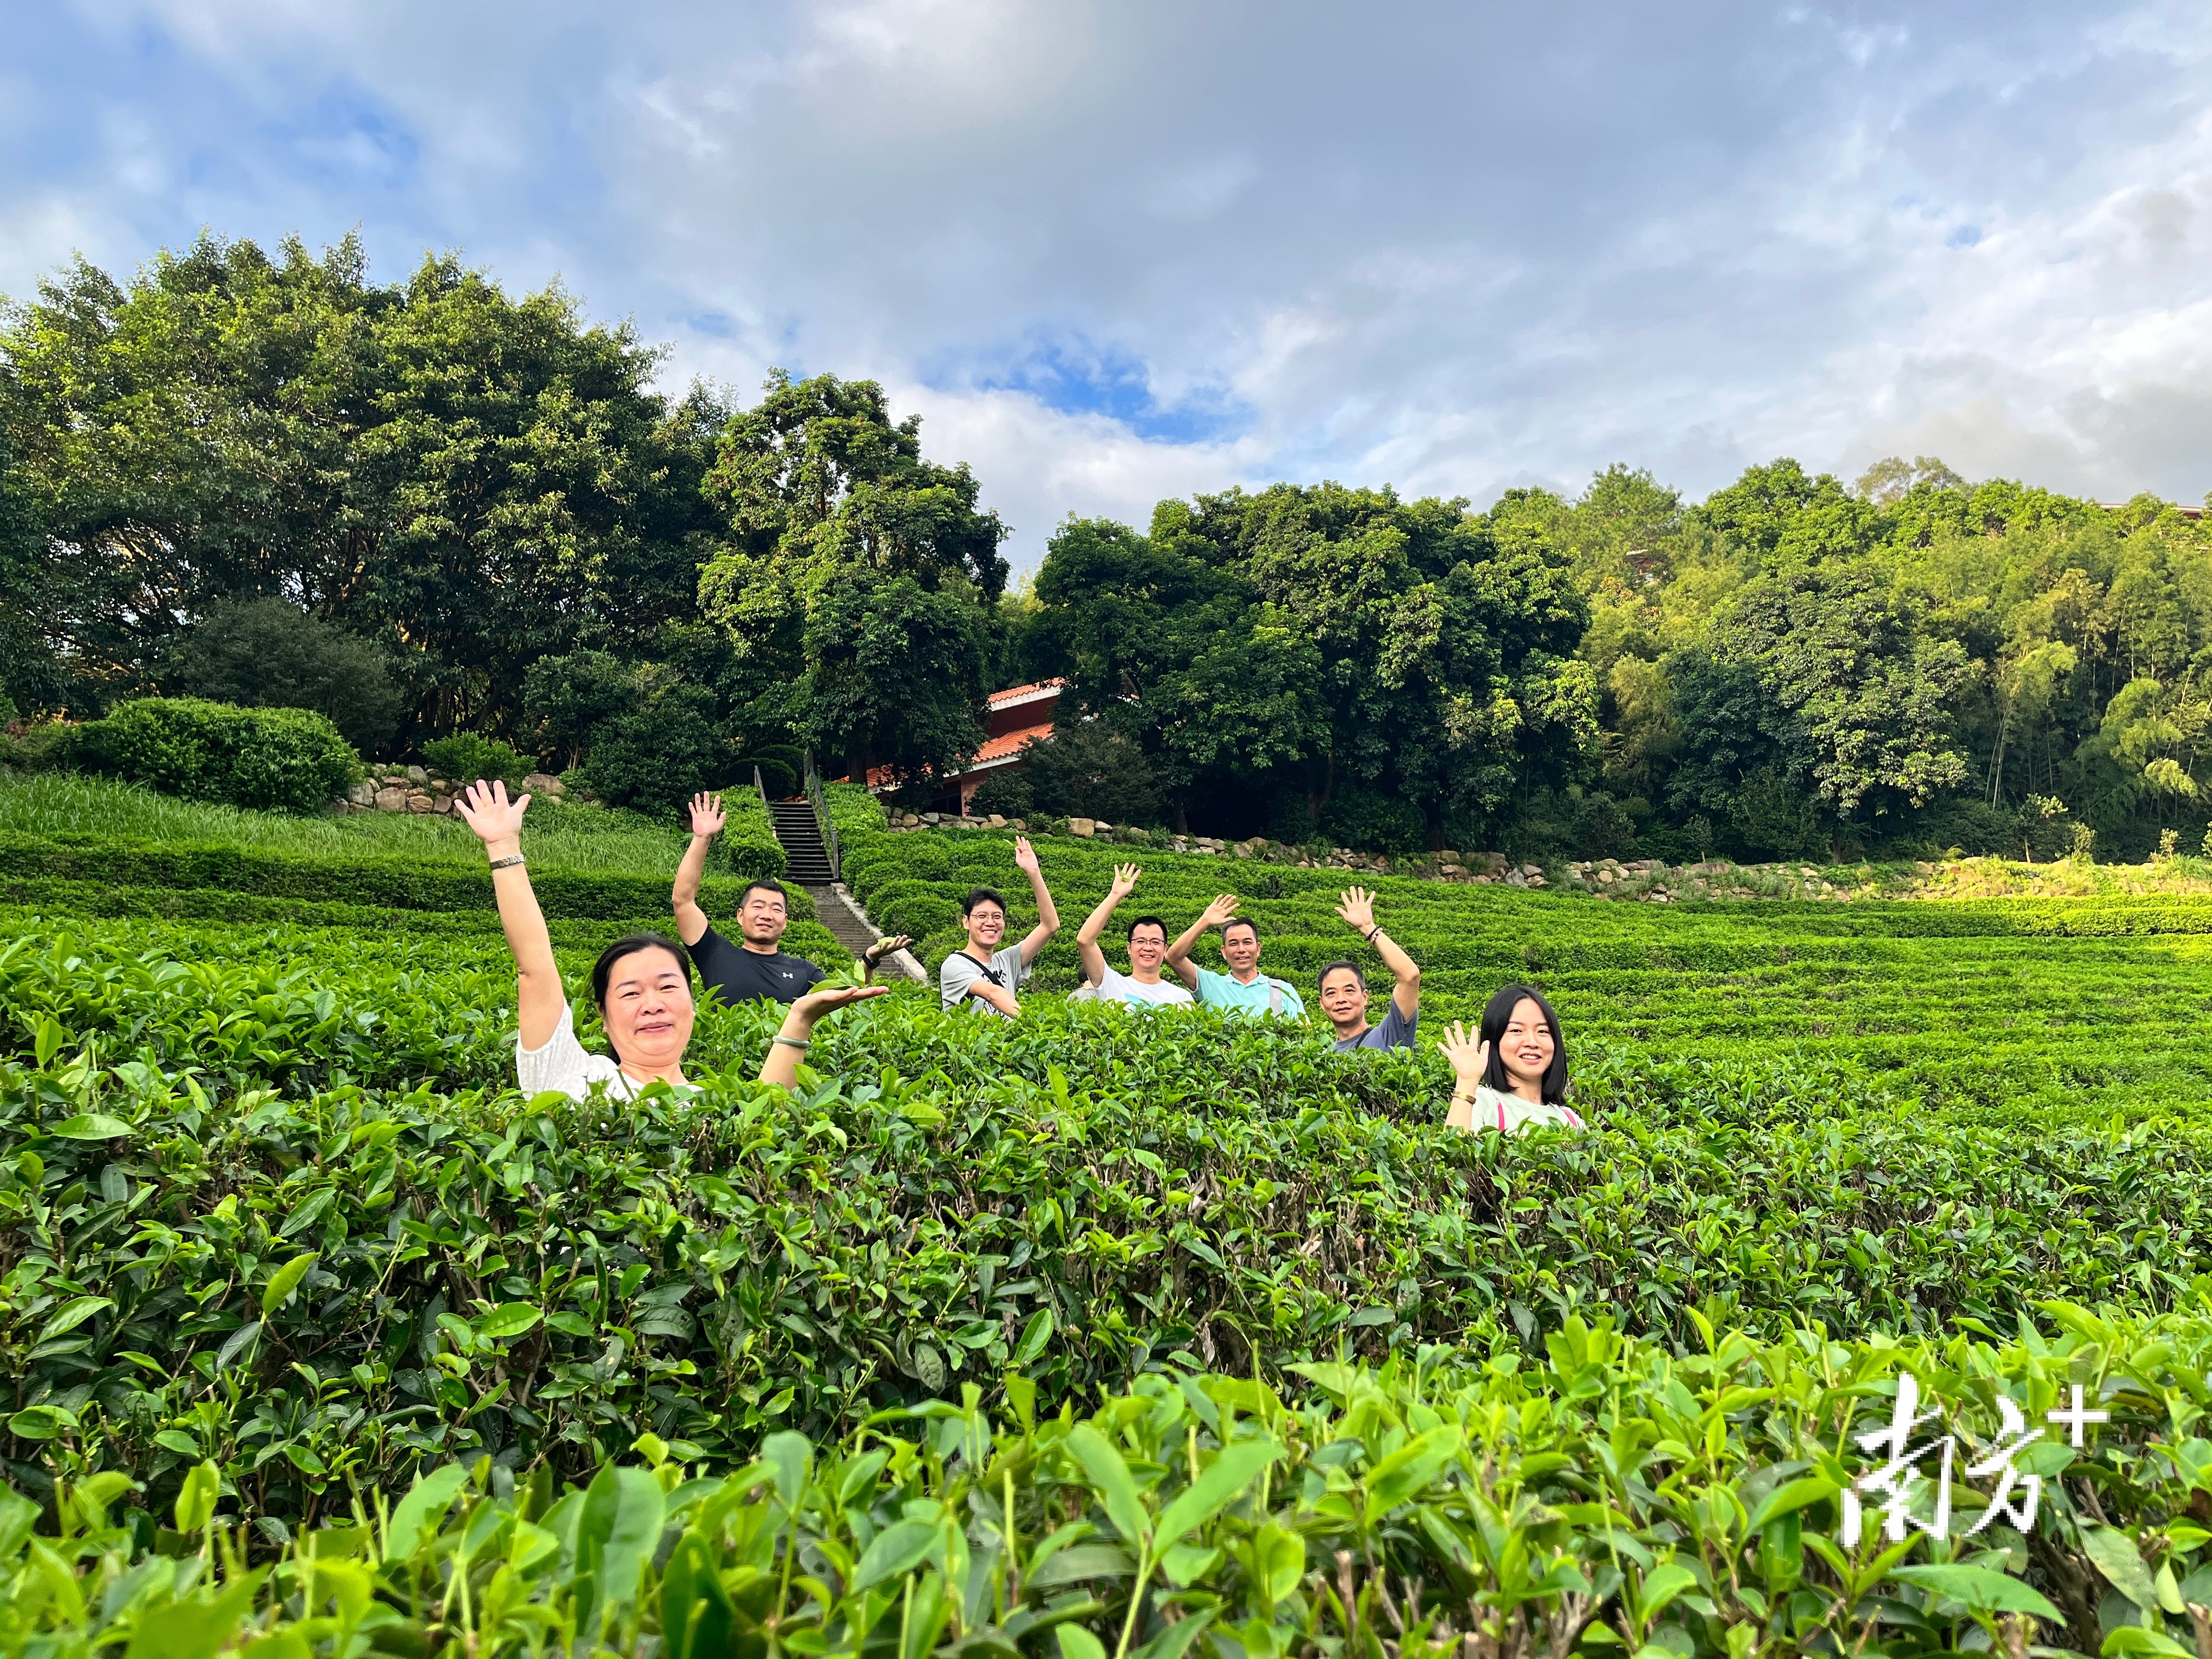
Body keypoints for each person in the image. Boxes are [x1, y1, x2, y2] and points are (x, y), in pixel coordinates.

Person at [457, 779, 882, 1099]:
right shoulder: (572, 1077)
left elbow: (766, 1112)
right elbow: (535, 967)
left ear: (693, 1007)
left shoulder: (709, 1104)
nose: (653, 1004)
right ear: (602, 1016)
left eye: (667, 987)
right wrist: (503, 847)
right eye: (630, 993)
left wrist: (801, 1019)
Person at [673, 791, 908, 1005]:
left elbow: (845, 1000)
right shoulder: (714, 953)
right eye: (758, 906)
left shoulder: (803, 971)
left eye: (776, 909)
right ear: (740, 915)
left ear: (785, 921)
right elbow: (683, 901)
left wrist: (869, 959)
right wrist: (702, 839)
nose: (767, 915)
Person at [940, 835, 1061, 1016]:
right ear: (966, 922)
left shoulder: (1008, 960)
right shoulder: (954, 965)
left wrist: (1034, 872)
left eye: (997, 916)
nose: (990, 923)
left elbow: (1050, 926)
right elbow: (993, 993)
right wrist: (1030, 1024)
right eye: (982, 916)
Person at [1437, 985, 1583, 1133]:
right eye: (1516, 1030)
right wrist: (1467, 1082)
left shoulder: (1571, 1121)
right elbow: (1454, 1146)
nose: (1532, 1042)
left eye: (1543, 1031)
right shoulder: (1482, 1103)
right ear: (1495, 1039)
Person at [1164, 893, 1306, 1018]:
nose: (1241, 949)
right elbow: (1173, 957)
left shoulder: (1282, 990)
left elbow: (1304, 1033)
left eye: (1247, 942)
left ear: (1258, 949)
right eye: (1233, 943)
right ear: (1224, 952)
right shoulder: (1211, 985)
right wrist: (1204, 922)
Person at [1075, 863, 1195, 1008]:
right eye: (1141, 941)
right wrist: (1115, 895)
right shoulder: (1112, 984)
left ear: (1165, 949)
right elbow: (1085, 941)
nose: (1148, 947)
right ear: (1129, 948)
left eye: (1155, 942)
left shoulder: (1182, 998)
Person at [1316, 886, 1420, 1051]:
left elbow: (1410, 976)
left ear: (1365, 997)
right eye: (1331, 993)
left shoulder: (1388, 1037)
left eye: (1349, 991)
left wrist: (1368, 928)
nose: (1340, 999)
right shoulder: (1323, 1057)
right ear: (1322, 1003)